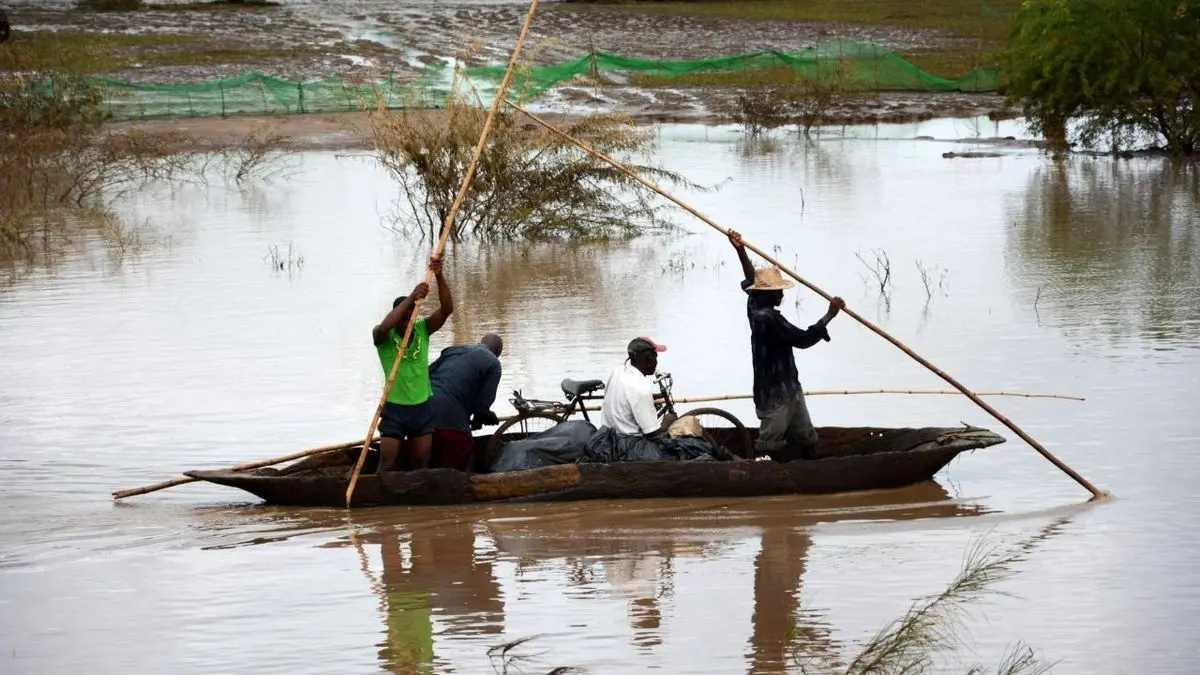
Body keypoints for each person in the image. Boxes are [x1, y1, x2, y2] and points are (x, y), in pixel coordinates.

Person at [728, 231, 845, 460]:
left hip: (790, 388)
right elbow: (802, 340)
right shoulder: (767, 318)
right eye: (777, 292)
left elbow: (752, 280)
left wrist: (740, 250)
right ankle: (770, 480)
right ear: (765, 295)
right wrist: (830, 315)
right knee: (768, 446)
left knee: (807, 438)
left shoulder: (754, 305)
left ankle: (812, 474)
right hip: (774, 395)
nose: (781, 295)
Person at [372, 254, 453, 473]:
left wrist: (439, 275)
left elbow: (447, 309)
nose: (409, 319)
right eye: (404, 315)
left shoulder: (422, 329)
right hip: (394, 408)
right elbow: (384, 326)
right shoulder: (385, 337)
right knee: (387, 462)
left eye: (412, 314)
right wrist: (411, 297)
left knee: (421, 463)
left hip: (422, 406)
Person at [426, 333, 504, 471]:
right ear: (497, 353)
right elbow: (481, 406)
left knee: (429, 460)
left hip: (422, 410)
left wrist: (477, 419)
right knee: (461, 454)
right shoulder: (493, 363)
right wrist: (487, 416)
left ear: (480, 342)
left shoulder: (453, 350)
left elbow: (426, 374)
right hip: (450, 415)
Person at [599, 337, 675, 437]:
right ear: (649, 359)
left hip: (609, 437)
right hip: (630, 445)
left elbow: (626, 398)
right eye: (655, 357)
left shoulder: (616, 372)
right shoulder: (641, 387)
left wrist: (649, 399)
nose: (656, 362)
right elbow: (653, 434)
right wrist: (668, 420)